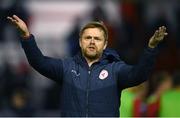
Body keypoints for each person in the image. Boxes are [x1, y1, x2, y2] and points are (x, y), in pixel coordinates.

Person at [7, 15, 167, 117]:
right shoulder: (67, 67)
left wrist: (151, 49)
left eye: (97, 39)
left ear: (105, 45)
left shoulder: (115, 69)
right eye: (88, 37)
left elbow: (139, 75)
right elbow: (39, 62)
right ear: (80, 42)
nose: (92, 41)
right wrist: (26, 36)